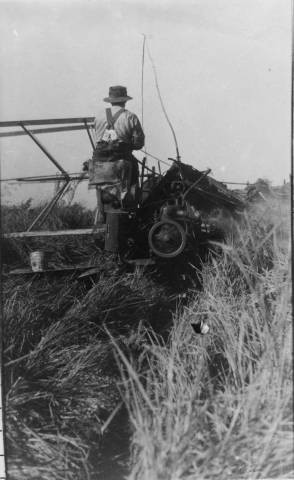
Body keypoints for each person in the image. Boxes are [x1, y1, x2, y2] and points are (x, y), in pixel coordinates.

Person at [88, 85, 145, 224]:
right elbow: (139, 143)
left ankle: (101, 213)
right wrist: (130, 144)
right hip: (121, 160)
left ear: (110, 101)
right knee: (132, 178)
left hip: (99, 161)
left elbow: (98, 137)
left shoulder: (99, 115)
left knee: (101, 189)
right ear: (125, 101)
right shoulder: (130, 116)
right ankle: (130, 211)